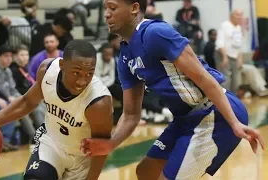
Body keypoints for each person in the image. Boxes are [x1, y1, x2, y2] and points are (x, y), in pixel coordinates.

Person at [80, 0, 265, 180]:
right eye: (105, 8)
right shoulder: (125, 57)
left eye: (112, 7)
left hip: (214, 114)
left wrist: (234, 122)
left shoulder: (155, 33)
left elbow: (204, 78)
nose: (106, 14)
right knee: (146, 172)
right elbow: (130, 114)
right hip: (185, 119)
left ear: (134, 8)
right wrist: (111, 143)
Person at [0, 40, 113, 180]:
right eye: (76, 73)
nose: (82, 81)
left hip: (82, 158)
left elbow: (101, 148)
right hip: (52, 144)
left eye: (89, 74)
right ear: (62, 65)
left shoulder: (99, 102)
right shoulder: (47, 71)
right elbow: (27, 102)